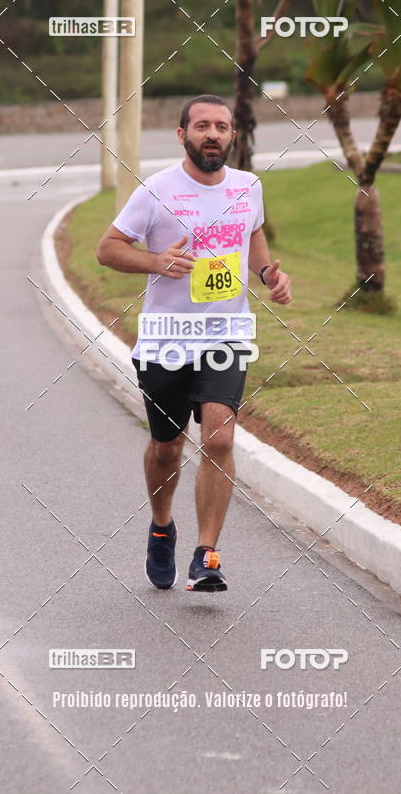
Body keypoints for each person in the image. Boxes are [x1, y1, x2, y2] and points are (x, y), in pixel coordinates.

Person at [97, 94, 291, 592]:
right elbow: (109, 249)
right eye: (201, 125)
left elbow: (253, 233)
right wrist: (156, 261)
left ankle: (207, 554)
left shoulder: (248, 186)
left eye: (221, 127)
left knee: (220, 436)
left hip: (225, 334)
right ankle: (162, 526)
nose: (212, 133)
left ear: (233, 137)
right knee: (167, 447)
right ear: (182, 135)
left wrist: (267, 272)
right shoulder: (157, 190)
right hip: (165, 340)